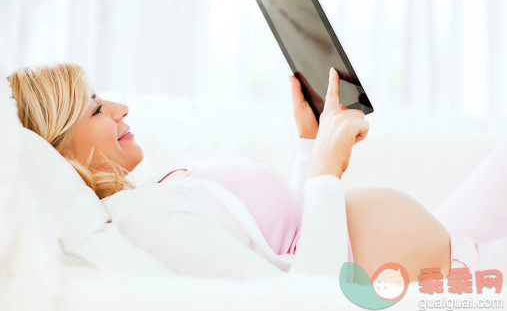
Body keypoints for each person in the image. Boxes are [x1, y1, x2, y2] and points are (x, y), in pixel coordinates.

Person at [8, 62, 452, 282]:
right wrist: (326, 170)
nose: (122, 109)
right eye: (97, 109)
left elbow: (289, 242)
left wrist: (308, 145)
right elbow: (302, 298)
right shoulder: (140, 221)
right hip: (443, 279)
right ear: (58, 154)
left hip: (449, 256)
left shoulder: (146, 197)